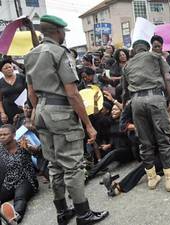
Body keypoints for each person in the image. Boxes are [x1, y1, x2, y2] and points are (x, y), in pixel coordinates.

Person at [24, 15, 109, 225]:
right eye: (63, 32)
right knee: (72, 165)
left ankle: (62, 211)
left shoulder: (31, 55)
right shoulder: (60, 53)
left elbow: (31, 91)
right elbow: (72, 93)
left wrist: (37, 111)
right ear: (58, 31)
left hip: (41, 109)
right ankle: (83, 214)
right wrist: (88, 125)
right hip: (61, 110)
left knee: (54, 165)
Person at [121, 39, 170, 192]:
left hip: (135, 102)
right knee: (164, 140)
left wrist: (125, 109)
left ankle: (152, 178)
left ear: (134, 51)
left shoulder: (127, 65)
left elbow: (124, 93)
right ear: (147, 48)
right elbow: (168, 79)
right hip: (155, 98)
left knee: (145, 141)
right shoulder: (155, 56)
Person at [102, 109, 170, 196]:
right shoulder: (157, 130)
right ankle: (118, 187)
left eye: (166, 115)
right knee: (144, 166)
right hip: (162, 158)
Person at [0, 125, 39, 224]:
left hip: (26, 180)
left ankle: (14, 218)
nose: (2, 137)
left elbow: (36, 152)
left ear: (13, 135)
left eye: (5, 134)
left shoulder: (23, 145)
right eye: (0, 134)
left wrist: (30, 148)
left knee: (20, 198)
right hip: (8, 181)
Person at [0, 60, 26, 125]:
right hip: (8, 110)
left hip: (22, 108)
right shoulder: (0, 82)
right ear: (1, 71)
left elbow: (29, 91)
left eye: (10, 67)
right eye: (6, 68)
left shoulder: (21, 77)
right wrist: (2, 113)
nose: (9, 69)